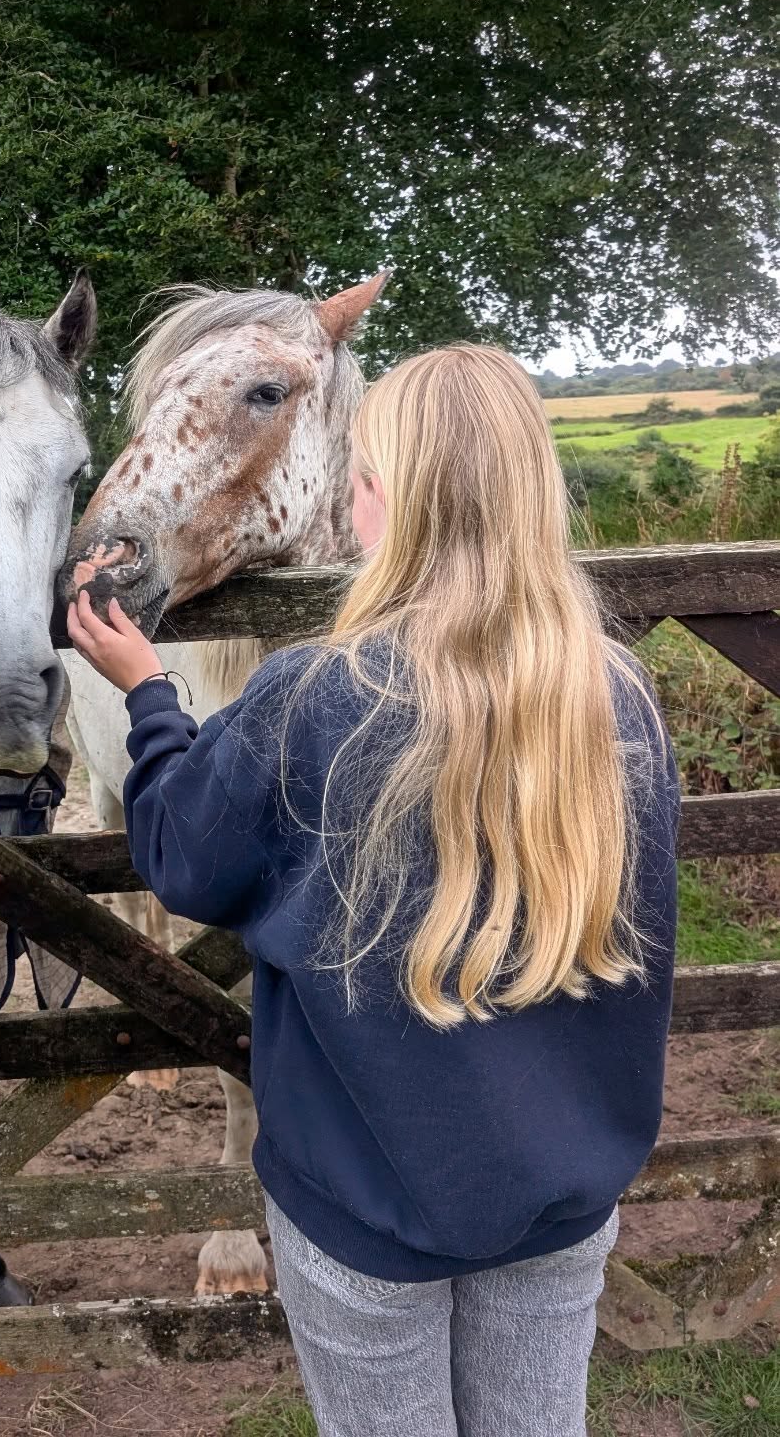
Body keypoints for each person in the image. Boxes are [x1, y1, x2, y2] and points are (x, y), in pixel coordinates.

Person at [67, 344, 680, 1437]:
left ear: (372, 501)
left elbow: (182, 858)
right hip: (563, 1200)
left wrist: (151, 701)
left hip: (362, 1211)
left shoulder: (312, 693)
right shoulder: (615, 695)